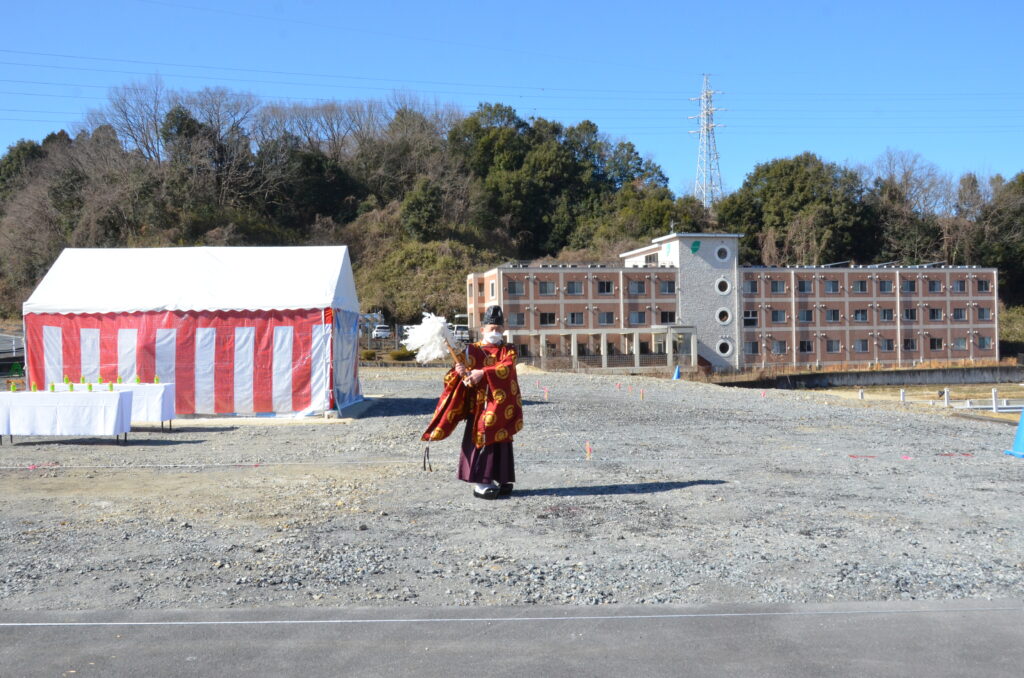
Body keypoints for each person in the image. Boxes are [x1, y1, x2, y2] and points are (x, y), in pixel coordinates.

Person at [420, 305, 523, 499]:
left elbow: (507, 368)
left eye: (499, 329)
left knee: (502, 440)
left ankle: (501, 477)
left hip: (502, 404)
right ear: (482, 329)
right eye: (491, 328)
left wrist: (483, 372)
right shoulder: (470, 351)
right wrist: (459, 373)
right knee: (484, 435)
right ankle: (481, 482)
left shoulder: (508, 350)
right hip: (479, 406)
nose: (495, 332)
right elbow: (455, 377)